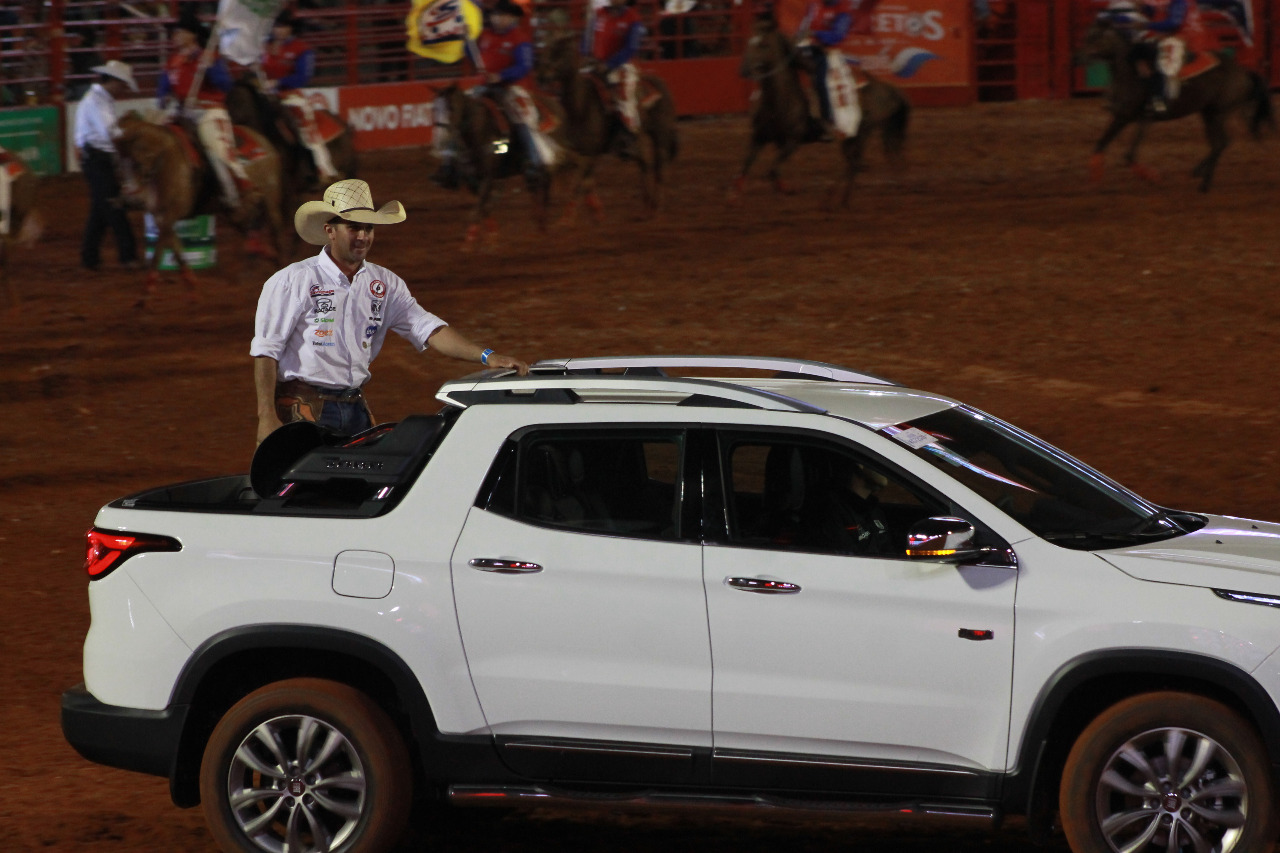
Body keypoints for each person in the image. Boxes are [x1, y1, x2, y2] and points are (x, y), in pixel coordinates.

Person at [252, 179, 529, 443]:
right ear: (330, 230)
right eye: (354, 227)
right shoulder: (292, 281)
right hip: (302, 407)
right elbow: (266, 351)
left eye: (369, 229)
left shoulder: (384, 283)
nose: (363, 236)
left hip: (354, 405)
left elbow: (428, 328)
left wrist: (487, 356)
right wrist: (266, 417)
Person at [156, 12, 253, 210]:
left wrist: (211, 69)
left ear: (192, 35)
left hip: (208, 112)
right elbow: (162, 92)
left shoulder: (209, 58)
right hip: (182, 113)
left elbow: (226, 86)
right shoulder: (172, 63)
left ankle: (238, 192)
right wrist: (163, 98)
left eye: (179, 32)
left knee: (216, 149)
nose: (175, 36)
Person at [475, 0, 557, 171]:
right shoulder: (485, 35)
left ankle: (536, 160)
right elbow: (474, 55)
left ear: (512, 18)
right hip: (486, 86)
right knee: (458, 110)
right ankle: (454, 160)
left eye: (503, 16)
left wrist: (501, 76)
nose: (498, 19)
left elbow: (524, 66)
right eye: (496, 15)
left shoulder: (520, 38)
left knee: (523, 119)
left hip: (513, 87)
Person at [73, 59, 139, 272]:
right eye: (122, 84)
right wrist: (133, 134)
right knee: (113, 206)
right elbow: (109, 133)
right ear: (113, 81)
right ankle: (128, 255)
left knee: (101, 209)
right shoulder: (96, 101)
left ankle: (89, 256)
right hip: (97, 158)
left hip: (96, 158)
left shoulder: (99, 99)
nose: (124, 89)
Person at [261, 10, 340, 183]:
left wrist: (278, 82)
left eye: (283, 27)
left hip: (289, 95)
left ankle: (324, 169)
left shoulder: (301, 49)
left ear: (290, 29)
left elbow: (303, 77)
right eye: (276, 27)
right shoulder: (263, 47)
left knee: (306, 127)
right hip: (265, 95)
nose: (279, 31)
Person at [584, 0, 646, 150]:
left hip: (623, 65)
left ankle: (629, 132)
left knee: (624, 93)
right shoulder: (599, 15)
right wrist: (586, 55)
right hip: (597, 62)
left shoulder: (633, 19)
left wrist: (609, 64)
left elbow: (631, 48)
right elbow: (587, 39)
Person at [798, 0, 862, 138]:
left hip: (830, 51)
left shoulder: (844, 10)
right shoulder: (813, 5)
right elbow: (803, 27)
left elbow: (837, 36)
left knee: (821, 81)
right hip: (810, 47)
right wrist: (801, 37)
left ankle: (826, 120)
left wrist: (815, 34)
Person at [1140, 0, 1213, 112]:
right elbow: (1156, 12)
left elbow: (1174, 22)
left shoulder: (1179, 2)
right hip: (1165, 34)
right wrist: (1143, 6)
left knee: (1168, 65)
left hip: (1184, 35)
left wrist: (1147, 25)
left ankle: (1166, 99)